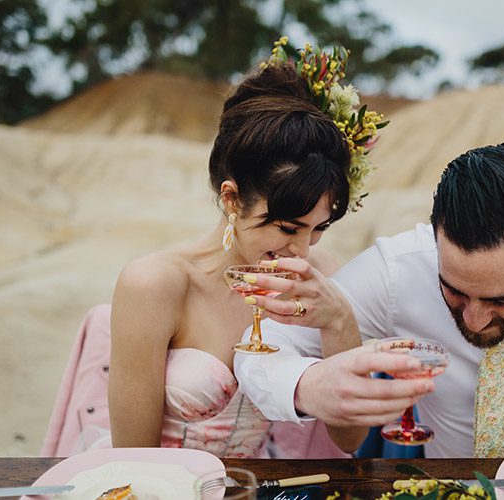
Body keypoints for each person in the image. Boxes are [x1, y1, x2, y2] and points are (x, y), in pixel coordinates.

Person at [234, 142, 504, 463]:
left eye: (503, 298)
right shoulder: (396, 269)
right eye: (454, 291)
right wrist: (305, 385)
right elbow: (263, 344)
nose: (476, 318)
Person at [105, 38, 385, 456]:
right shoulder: (155, 284)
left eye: (318, 228)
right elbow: (134, 457)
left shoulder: (319, 275)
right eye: (288, 227)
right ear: (232, 198)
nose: (303, 251)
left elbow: (350, 439)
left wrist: (339, 320)